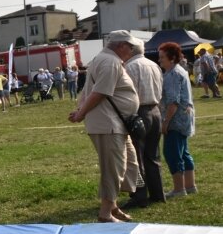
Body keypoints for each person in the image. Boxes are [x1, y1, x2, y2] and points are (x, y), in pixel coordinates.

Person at [68, 31, 140, 223]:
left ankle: (113, 207)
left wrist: (80, 110)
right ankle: (105, 213)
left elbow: (87, 90)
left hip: (115, 124)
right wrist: (81, 113)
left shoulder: (104, 60)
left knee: (128, 165)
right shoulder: (110, 62)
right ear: (121, 46)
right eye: (130, 46)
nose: (132, 50)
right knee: (114, 169)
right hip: (109, 124)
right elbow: (98, 92)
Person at [123, 39, 166, 208]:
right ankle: (157, 193)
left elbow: (129, 94)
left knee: (136, 156)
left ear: (131, 50)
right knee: (153, 155)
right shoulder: (153, 65)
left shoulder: (130, 67)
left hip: (139, 112)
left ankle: (139, 196)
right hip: (155, 111)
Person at [158, 42, 197, 198]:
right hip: (184, 118)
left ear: (172, 58)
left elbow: (173, 101)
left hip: (176, 120)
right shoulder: (179, 71)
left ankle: (179, 189)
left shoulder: (173, 74)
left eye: (162, 57)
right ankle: (190, 186)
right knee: (184, 153)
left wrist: (165, 122)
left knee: (172, 153)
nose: (159, 60)